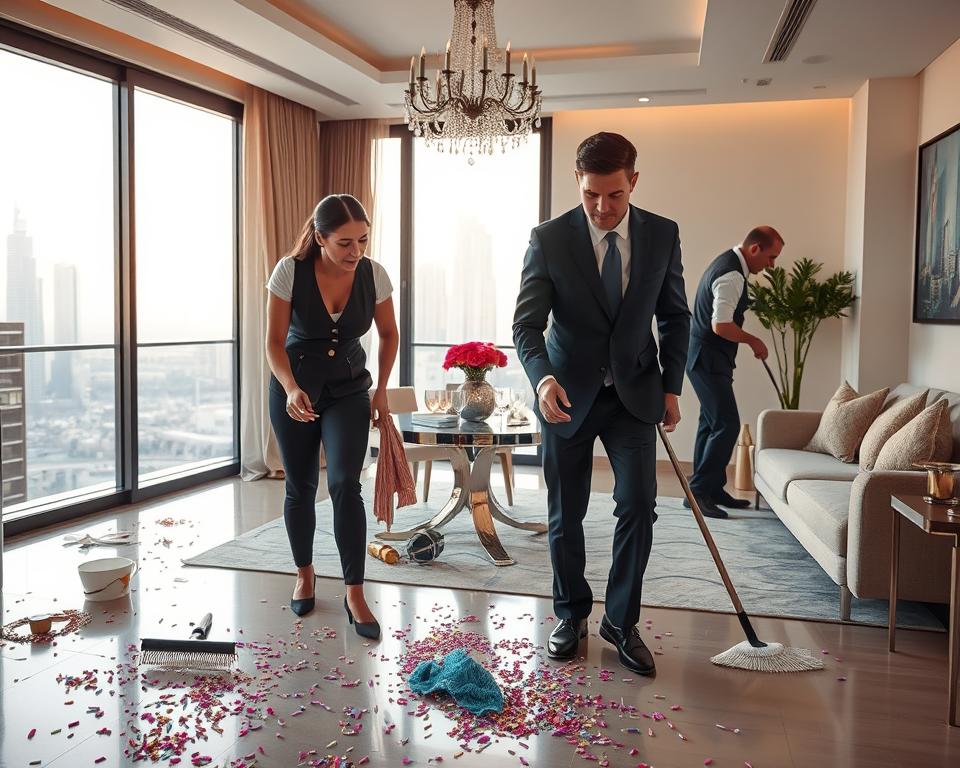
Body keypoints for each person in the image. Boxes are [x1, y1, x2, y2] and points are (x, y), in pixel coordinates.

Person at [513, 132, 690, 675]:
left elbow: (676, 315)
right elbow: (526, 325)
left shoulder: (662, 234)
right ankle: (570, 614)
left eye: (613, 194)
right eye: (592, 194)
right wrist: (542, 381)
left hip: (634, 394)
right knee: (567, 513)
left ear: (633, 180)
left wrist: (672, 386)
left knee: (639, 505)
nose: (602, 207)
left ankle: (620, 621)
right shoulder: (549, 239)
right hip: (566, 396)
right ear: (578, 182)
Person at [265, 194, 399, 639]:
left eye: (362, 240)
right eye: (344, 243)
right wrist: (289, 388)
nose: (355, 251)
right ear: (320, 238)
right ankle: (304, 573)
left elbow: (389, 334)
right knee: (300, 484)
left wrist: (380, 390)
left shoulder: (374, 274)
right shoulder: (290, 271)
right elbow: (273, 343)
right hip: (295, 389)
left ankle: (354, 591)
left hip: (348, 390)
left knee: (345, 482)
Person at [685, 227, 783, 519]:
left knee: (710, 424)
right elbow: (721, 325)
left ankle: (711, 489)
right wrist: (754, 340)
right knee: (727, 425)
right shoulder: (731, 275)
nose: (772, 265)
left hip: (707, 359)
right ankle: (699, 492)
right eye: (771, 257)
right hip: (708, 360)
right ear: (755, 249)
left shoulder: (727, 264)